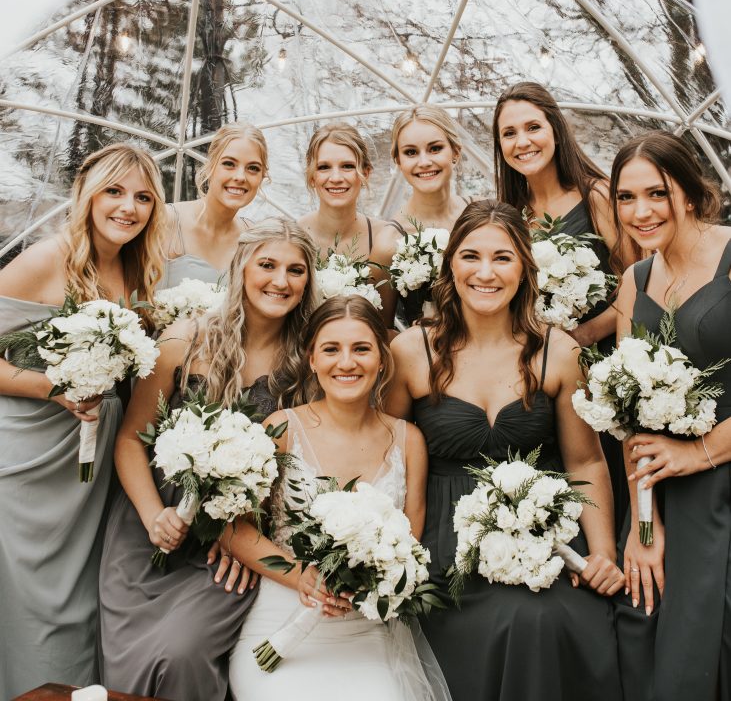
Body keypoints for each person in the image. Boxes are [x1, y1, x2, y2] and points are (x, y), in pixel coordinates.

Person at [387, 200, 624, 701]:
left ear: (524, 268)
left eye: (503, 257)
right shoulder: (411, 352)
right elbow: (386, 458)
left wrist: (602, 552)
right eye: (471, 256)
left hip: (543, 534)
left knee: (554, 619)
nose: (486, 272)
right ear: (450, 264)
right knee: (501, 622)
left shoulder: (559, 351)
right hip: (443, 540)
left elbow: (585, 461)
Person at [98, 218, 319, 701]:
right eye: (267, 265)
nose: (281, 281)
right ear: (241, 268)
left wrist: (246, 536)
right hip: (151, 524)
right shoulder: (184, 340)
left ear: (308, 281)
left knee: (182, 653)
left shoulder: (310, 362)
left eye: (295, 270)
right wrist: (153, 516)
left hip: (232, 541)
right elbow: (131, 440)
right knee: (129, 658)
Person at [0, 143, 166, 700]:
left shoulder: (140, 271)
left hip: (89, 469)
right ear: (87, 195)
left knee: (75, 605)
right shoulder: (47, 258)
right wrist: (52, 388)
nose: (128, 207)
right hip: (26, 460)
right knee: (23, 601)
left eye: (143, 197)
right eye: (114, 191)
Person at [227, 295, 449, 701]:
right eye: (331, 349)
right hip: (281, 615)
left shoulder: (409, 440)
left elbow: (410, 545)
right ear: (312, 359)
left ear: (382, 359)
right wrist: (302, 576)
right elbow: (235, 529)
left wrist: (366, 586)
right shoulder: (281, 429)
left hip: (366, 627)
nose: (346, 363)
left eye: (361, 349)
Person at [611, 132, 731, 701]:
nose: (641, 212)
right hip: (662, 493)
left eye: (655, 193)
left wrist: (698, 453)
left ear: (687, 190)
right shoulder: (634, 283)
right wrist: (644, 526)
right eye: (626, 197)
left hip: (721, 478)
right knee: (644, 628)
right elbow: (627, 416)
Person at [493, 80, 629, 534]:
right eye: (509, 133)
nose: (522, 141)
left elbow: (641, 286)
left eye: (532, 127)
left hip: (606, 365)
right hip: (545, 375)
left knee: (615, 480)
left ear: (555, 128)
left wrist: (586, 335)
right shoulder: (510, 215)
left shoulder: (597, 196)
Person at [373, 105, 469, 328]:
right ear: (398, 161)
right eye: (411, 152)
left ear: (455, 152)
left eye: (435, 148)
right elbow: (382, 332)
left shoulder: (483, 213)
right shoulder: (388, 243)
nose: (424, 162)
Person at [161, 121, 268, 288]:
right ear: (210, 166)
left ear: (262, 176)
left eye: (253, 168)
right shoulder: (167, 220)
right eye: (229, 164)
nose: (240, 177)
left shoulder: (255, 240)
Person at [299, 122, 385, 263]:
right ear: (312, 177)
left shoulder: (384, 237)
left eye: (347, 166)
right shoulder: (292, 236)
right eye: (324, 167)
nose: (336, 178)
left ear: (365, 173)